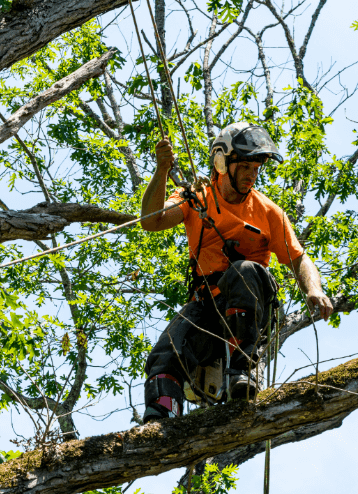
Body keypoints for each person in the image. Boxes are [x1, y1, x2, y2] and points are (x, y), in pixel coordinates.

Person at [140, 122, 333, 423]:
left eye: (256, 167)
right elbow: (152, 220)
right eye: (245, 166)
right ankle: (160, 417)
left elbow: (299, 258)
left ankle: (242, 372)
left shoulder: (269, 212)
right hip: (208, 307)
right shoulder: (196, 196)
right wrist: (162, 171)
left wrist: (314, 289)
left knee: (243, 271)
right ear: (221, 162)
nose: (252, 174)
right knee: (166, 351)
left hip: (248, 311)